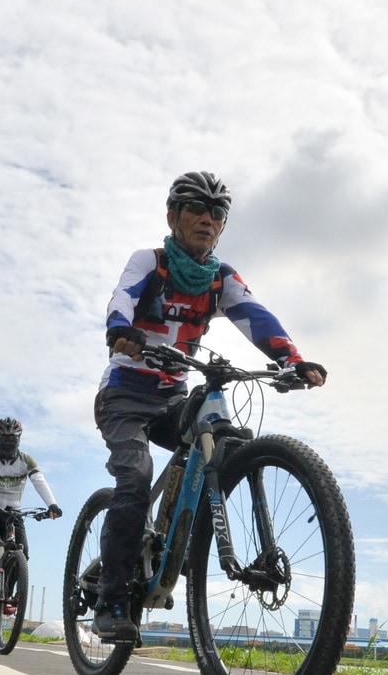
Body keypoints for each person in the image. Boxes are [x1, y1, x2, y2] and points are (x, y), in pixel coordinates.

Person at [92, 171, 326, 640]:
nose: (207, 219)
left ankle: (180, 537)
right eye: (196, 209)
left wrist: (291, 360)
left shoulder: (219, 279)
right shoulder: (150, 263)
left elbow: (256, 317)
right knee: (135, 477)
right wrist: (122, 329)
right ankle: (112, 598)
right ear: (173, 217)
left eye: (217, 213)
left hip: (171, 397)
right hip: (125, 394)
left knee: (222, 436)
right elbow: (123, 297)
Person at [0, 417, 61, 614]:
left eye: (12, 438)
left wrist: (52, 505)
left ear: (19, 439)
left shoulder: (26, 460)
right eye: (3, 439)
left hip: (13, 514)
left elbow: (39, 481)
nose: (8, 442)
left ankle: (7, 593)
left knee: (23, 552)